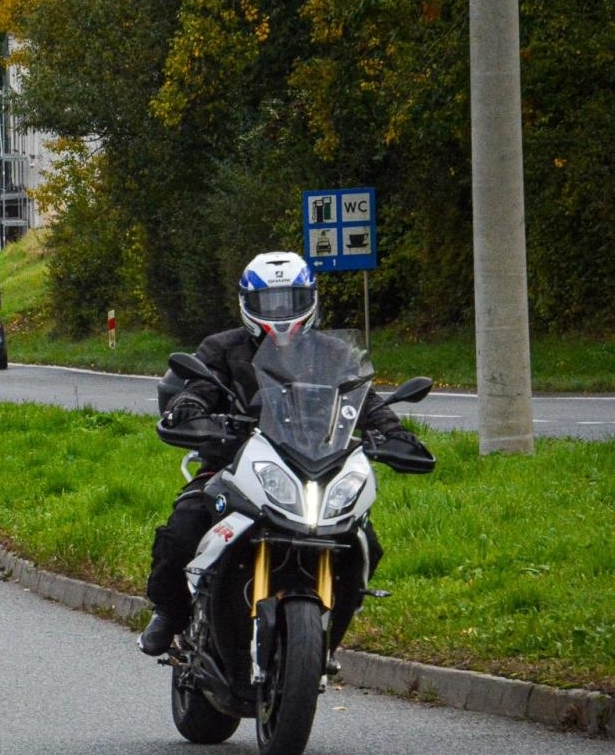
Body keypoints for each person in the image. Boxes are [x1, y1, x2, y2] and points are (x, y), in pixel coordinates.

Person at [138, 251, 428, 660]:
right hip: (234, 463)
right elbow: (198, 385)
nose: (280, 312)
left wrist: (394, 433)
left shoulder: (333, 353)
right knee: (184, 527)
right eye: (270, 302)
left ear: (310, 299)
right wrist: (190, 408)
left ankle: (327, 636)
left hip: (313, 466)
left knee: (364, 541)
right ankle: (169, 613)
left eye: (290, 300)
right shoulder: (222, 348)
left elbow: (364, 400)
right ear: (247, 303)